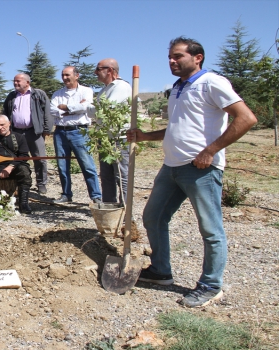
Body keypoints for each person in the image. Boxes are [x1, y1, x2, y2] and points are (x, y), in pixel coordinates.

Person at [128, 37, 257, 308]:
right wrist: (144, 135)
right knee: (153, 216)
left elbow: (246, 118)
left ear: (197, 57)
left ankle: (211, 286)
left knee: (210, 229)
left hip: (200, 169)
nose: (172, 62)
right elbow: (176, 128)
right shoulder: (177, 88)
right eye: (170, 58)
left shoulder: (212, 82)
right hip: (172, 166)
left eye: (178, 57)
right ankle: (161, 271)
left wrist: (211, 150)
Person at [50, 66, 102, 204]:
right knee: (62, 165)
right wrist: (74, 109)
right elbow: (53, 110)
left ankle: (96, 196)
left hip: (79, 131)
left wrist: (66, 107)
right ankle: (66, 194)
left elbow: (85, 107)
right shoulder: (57, 94)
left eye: (67, 75)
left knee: (87, 164)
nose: (65, 78)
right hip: (60, 132)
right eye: (63, 75)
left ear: (76, 76)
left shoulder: (86, 91)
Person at [2, 73, 52, 194]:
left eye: (18, 81)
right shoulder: (12, 96)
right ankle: (18, 182)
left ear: (27, 83)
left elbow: (47, 112)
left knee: (39, 158)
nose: (15, 83)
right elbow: (5, 112)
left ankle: (41, 184)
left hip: (34, 132)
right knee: (16, 158)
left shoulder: (38, 94)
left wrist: (46, 129)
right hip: (16, 132)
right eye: (14, 81)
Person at [93, 58, 132, 204]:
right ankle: (110, 210)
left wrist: (86, 108)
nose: (95, 72)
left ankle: (126, 214)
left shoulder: (121, 87)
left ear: (109, 70)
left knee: (121, 176)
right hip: (105, 138)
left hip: (118, 138)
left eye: (98, 69)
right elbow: (97, 111)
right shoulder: (104, 89)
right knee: (106, 176)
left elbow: (106, 109)